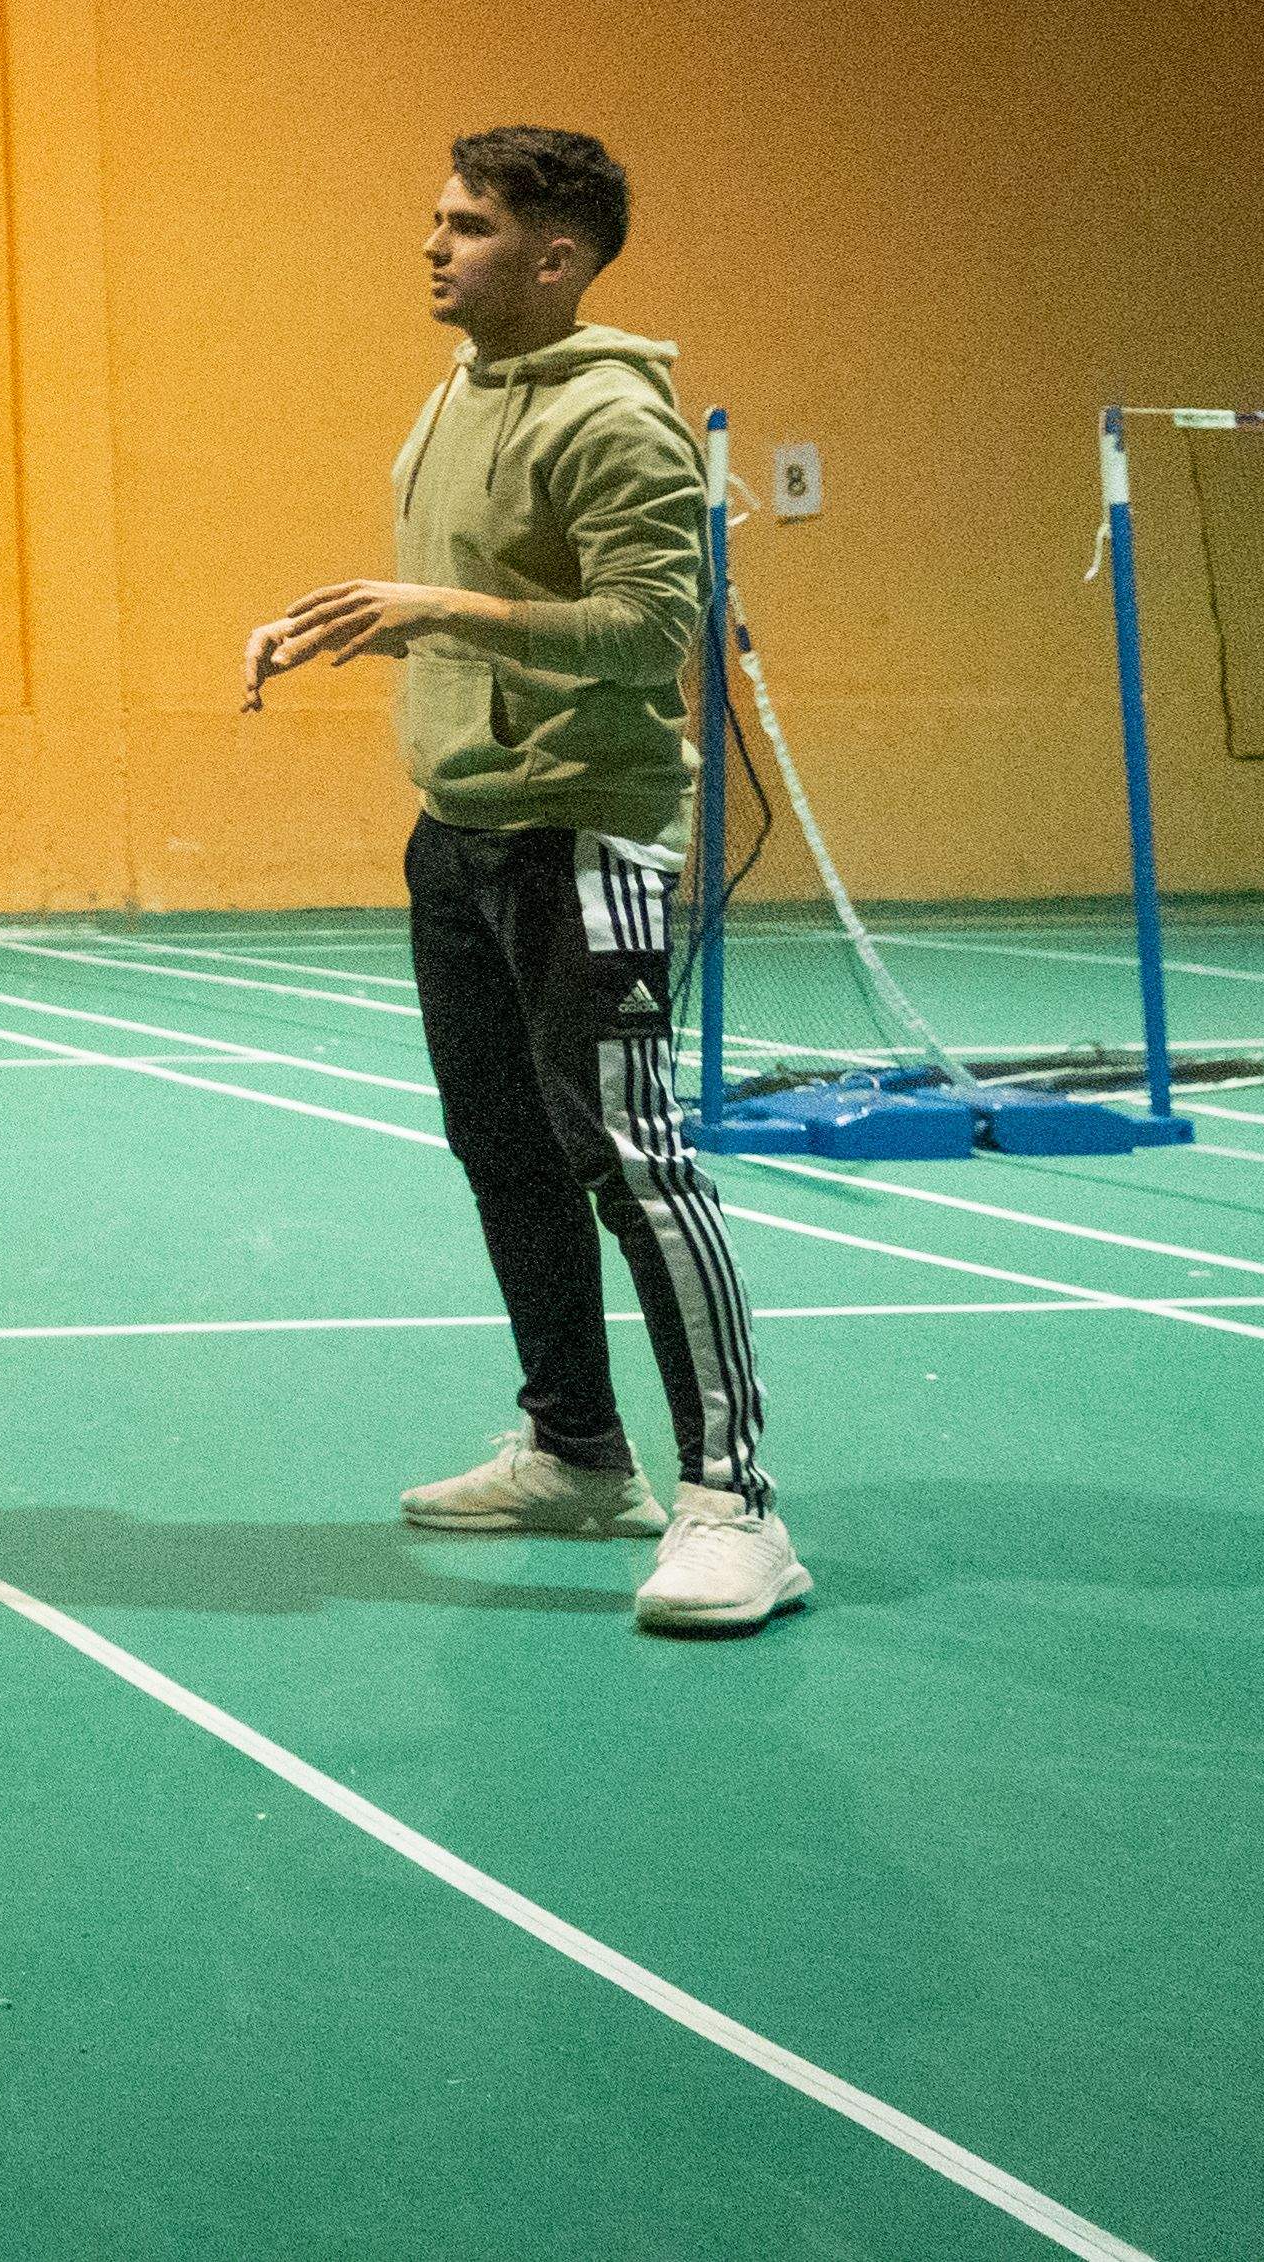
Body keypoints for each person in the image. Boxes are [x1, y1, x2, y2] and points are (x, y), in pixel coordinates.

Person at [241, 126, 806, 1636]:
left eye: (468, 225)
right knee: (502, 1149)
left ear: (554, 258)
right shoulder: (460, 389)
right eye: (436, 217)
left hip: (585, 838)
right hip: (461, 830)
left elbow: (647, 632)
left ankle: (735, 1507)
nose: (434, 245)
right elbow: (465, 593)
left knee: (634, 1163)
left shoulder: (613, 420)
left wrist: (440, 610)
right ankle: (574, 1452)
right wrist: (350, 620)